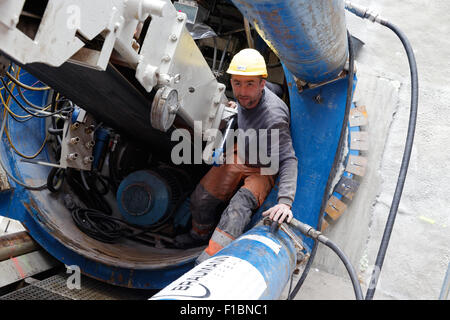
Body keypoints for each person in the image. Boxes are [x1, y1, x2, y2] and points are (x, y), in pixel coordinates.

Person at [175, 48, 298, 264]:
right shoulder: (251, 93)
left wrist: (285, 202)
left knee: (237, 209)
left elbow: (288, 159)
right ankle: (198, 236)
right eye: (237, 83)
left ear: (261, 84)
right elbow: (275, 88)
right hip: (241, 151)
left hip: (263, 165)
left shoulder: (274, 118)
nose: (241, 92)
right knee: (202, 197)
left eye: (249, 84)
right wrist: (235, 106)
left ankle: (210, 260)